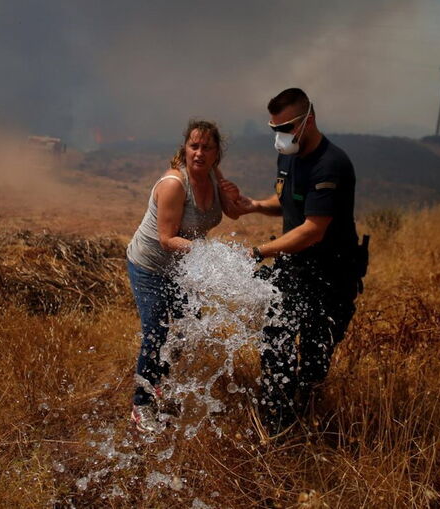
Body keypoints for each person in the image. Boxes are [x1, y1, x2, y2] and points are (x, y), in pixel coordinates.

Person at [223, 88, 362, 434]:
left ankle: (312, 424)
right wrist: (255, 205)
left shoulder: (332, 164)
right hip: (292, 270)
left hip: (329, 277)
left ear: (308, 121)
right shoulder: (289, 156)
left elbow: (313, 230)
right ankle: (276, 428)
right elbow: (287, 203)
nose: (279, 136)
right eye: (274, 129)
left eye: (284, 128)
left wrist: (257, 252)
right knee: (275, 347)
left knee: (314, 362)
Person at [125, 120, 239, 433]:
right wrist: (212, 256)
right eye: (194, 146)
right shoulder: (175, 184)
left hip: (181, 266)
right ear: (185, 148)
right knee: (155, 332)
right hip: (149, 265)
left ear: (217, 153)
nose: (199, 152)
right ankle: (141, 404)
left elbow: (234, 212)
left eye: (207, 147)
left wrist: (231, 191)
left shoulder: (213, 178)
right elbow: (166, 238)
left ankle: (159, 378)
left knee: (193, 325)